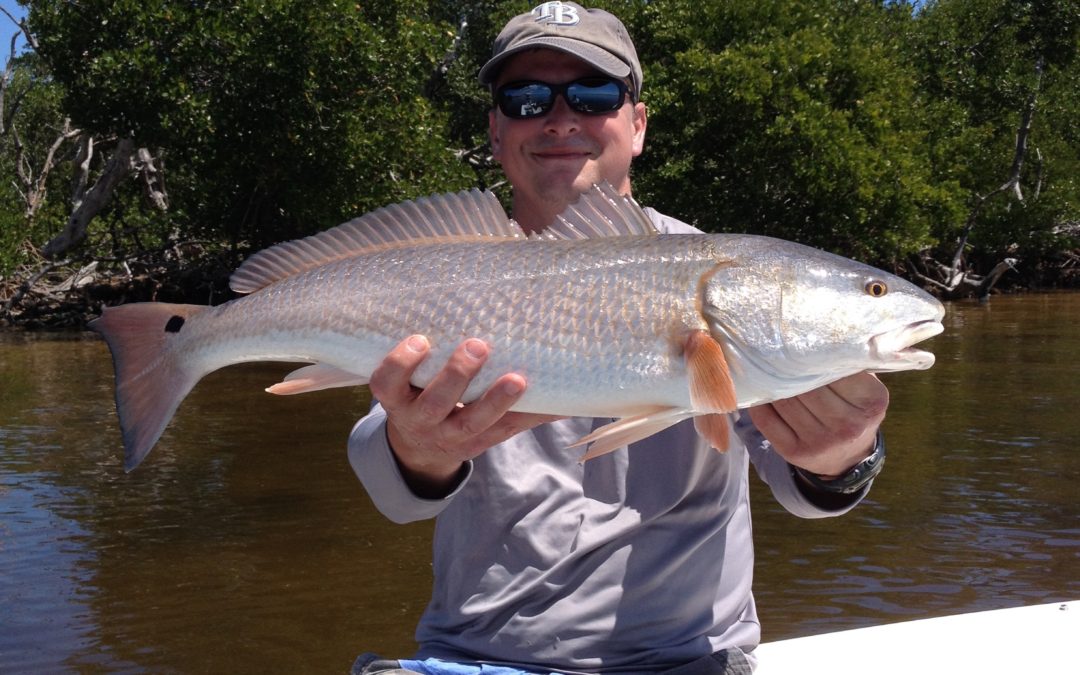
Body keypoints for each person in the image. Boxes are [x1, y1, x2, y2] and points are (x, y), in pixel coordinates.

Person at [349, 3, 889, 673]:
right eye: (524, 98)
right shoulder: (443, 271)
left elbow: (803, 483)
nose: (559, 117)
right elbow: (387, 488)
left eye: (594, 94)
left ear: (637, 124)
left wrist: (846, 454)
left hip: (686, 658)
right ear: (494, 130)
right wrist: (416, 449)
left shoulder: (723, 277)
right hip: (472, 657)